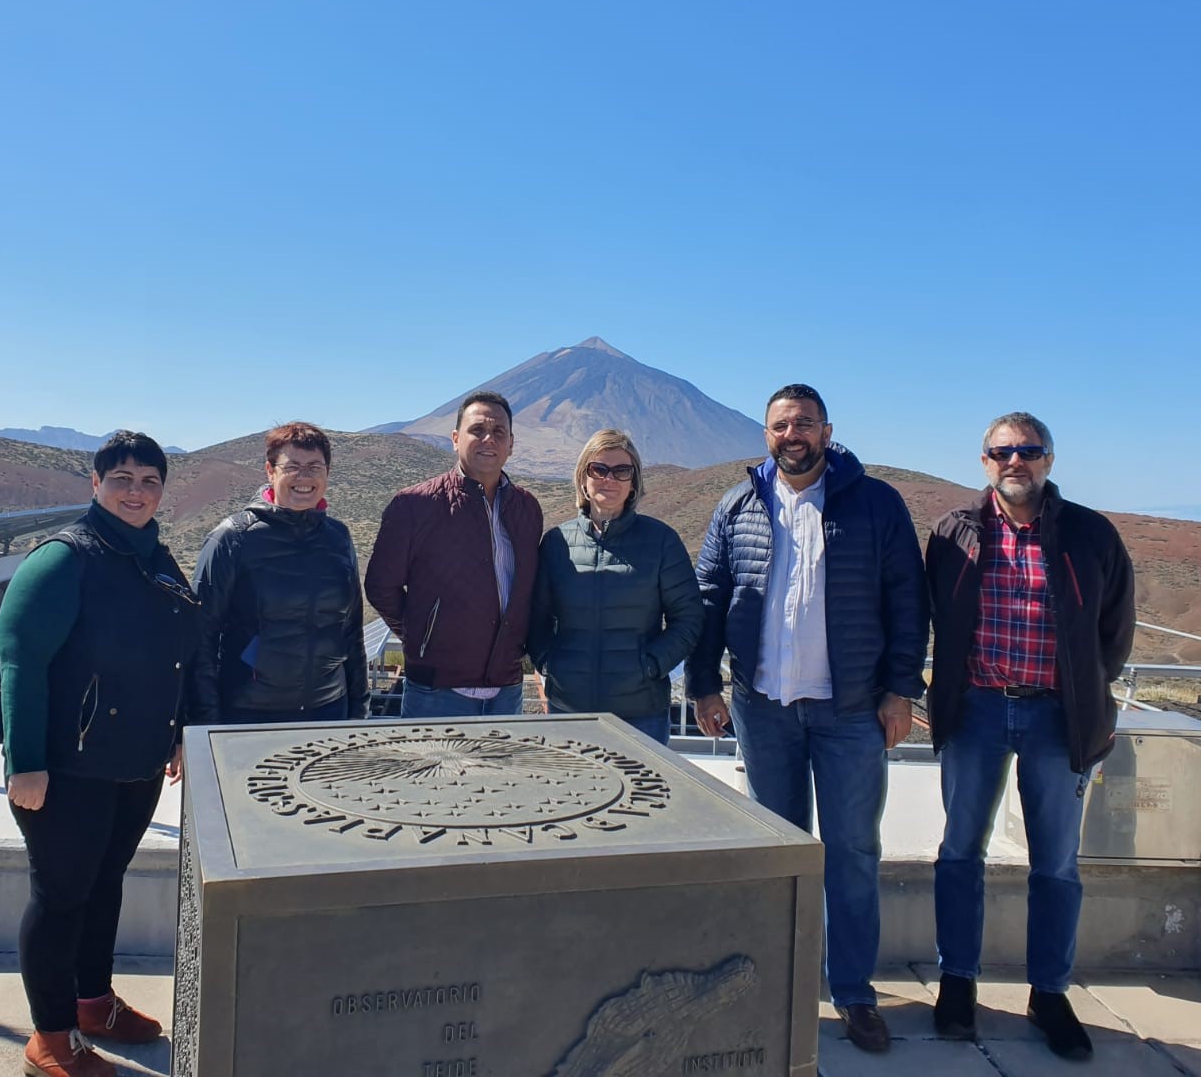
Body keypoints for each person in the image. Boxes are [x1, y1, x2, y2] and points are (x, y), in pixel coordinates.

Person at [686, 383, 928, 1054]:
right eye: (780, 425)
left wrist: (900, 690)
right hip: (762, 708)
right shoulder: (738, 505)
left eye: (804, 424)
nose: (792, 435)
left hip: (850, 710)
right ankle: (780, 987)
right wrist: (703, 684)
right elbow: (709, 599)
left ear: (826, 430)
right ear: (765, 434)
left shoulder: (875, 503)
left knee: (852, 852)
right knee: (777, 856)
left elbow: (908, 599)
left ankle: (852, 992)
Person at [925, 412, 1135, 1061]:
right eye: (1001, 452)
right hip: (976, 711)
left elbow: (1115, 631)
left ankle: (1049, 993)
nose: (1014, 461)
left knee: (1056, 863)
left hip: (1056, 717)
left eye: (1028, 450)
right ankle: (957, 983)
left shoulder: (1090, 535)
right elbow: (930, 615)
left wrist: (1088, 694)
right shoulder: (954, 532)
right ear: (984, 461)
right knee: (960, 851)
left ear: (1048, 459)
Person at [0, 431, 198, 1077]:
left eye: (149, 481)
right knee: (60, 899)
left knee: (104, 885)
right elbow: (20, 662)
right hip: (66, 770)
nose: (136, 492)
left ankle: (92, 1004)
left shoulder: (156, 558)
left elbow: (177, 654)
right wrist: (25, 761)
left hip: (134, 764)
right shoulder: (64, 559)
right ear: (95, 484)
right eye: (122, 479)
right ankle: (50, 1039)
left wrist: (176, 730)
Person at [365, 390, 543, 717]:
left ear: (511, 444)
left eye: (499, 431)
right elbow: (380, 585)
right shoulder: (414, 505)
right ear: (456, 439)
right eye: (477, 430)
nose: (489, 439)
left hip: (507, 690)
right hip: (435, 692)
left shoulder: (527, 508)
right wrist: (423, 640)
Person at [528, 429, 703, 744]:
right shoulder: (556, 543)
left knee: (641, 781)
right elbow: (536, 618)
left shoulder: (661, 542)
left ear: (633, 482)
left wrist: (651, 666)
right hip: (569, 708)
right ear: (583, 478)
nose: (609, 479)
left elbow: (688, 617)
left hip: (641, 711)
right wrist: (550, 665)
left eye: (622, 471)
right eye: (599, 469)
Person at [190, 422, 368, 725]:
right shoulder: (233, 538)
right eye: (292, 466)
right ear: (270, 471)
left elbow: (351, 631)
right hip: (250, 711)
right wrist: (205, 722)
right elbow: (201, 637)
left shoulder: (338, 537)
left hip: (328, 708)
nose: (304, 477)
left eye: (314, 467)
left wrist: (358, 709)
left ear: (327, 473)